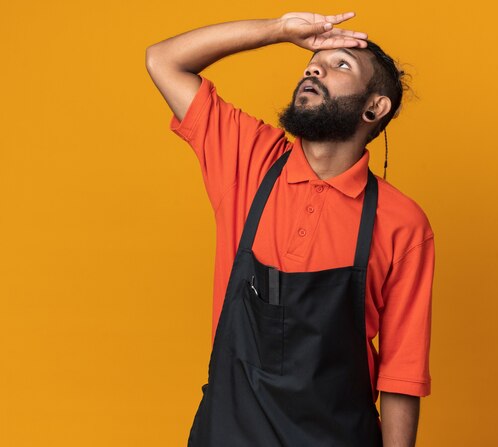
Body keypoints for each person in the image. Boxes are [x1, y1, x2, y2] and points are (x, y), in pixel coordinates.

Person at [146, 11, 435, 447]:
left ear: (374, 108)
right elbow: (163, 60)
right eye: (312, 62)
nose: (314, 67)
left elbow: (401, 377)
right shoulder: (249, 158)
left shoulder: (403, 224)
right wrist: (279, 31)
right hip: (229, 433)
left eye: (341, 65)